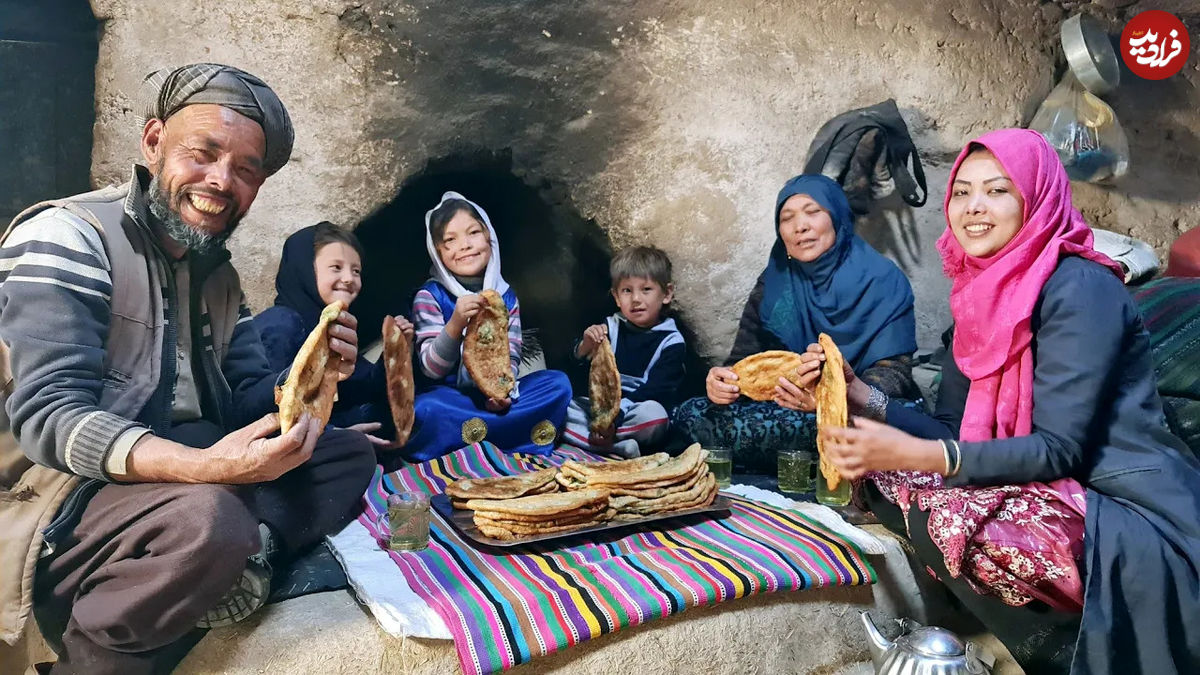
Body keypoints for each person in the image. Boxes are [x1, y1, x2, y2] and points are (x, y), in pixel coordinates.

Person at [0, 63, 377, 673]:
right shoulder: (71, 237)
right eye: (202, 153)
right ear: (154, 143)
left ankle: (239, 556)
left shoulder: (218, 276)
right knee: (208, 522)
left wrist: (306, 384)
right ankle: (90, 653)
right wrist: (205, 471)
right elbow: (49, 419)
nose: (220, 181)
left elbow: (244, 399)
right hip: (57, 494)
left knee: (344, 454)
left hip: (175, 476)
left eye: (246, 169)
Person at [817, 129, 1200, 674]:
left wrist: (917, 454)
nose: (973, 208)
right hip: (1041, 480)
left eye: (997, 191)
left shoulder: (1080, 288)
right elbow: (953, 426)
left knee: (948, 510)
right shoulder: (978, 294)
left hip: (1120, 498)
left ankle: (1063, 655)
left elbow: (1059, 450)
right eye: (962, 192)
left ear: (1034, 199)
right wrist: (862, 397)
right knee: (886, 481)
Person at [672, 174, 920, 472]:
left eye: (813, 212)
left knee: (907, 420)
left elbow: (894, 373)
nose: (800, 226)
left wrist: (830, 400)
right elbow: (744, 362)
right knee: (691, 414)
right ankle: (836, 464)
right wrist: (722, 383)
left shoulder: (882, 280)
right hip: (789, 410)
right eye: (787, 218)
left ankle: (829, 461)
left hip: (859, 410)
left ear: (837, 217)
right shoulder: (776, 283)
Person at [405, 191, 571, 461]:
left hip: (497, 402)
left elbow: (511, 357)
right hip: (453, 399)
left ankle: (483, 436)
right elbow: (431, 368)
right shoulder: (430, 296)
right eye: (450, 240)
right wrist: (456, 323)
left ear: (489, 237)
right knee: (426, 408)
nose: (465, 245)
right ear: (437, 252)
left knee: (558, 384)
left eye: (473, 233)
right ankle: (507, 436)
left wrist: (503, 393)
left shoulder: (505, 296)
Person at [254, 222, 415, 446]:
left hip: (322, 428)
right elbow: (269, 412)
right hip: (282, 444)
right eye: (336, 268)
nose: (349, 278)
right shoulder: (281, 325)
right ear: (305, 270)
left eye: (356, 270)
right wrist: (333, 434)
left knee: (384, 413)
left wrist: (395, 353)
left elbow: (360, 386)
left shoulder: (333, 323)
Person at [564, 246, 686, 457]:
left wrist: (614, 417)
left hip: (635, 411)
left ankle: (591, 440)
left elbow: (656, 391)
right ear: (616, 297)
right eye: (627, 291)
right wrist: (586, 345)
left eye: (646, 289)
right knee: (563, 405)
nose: (636, 299)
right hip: (601, 410)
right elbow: (578, 370)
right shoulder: (612, 326)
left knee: (655, 418)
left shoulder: (672, 341)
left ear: (666, 294)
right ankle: (617, 447)